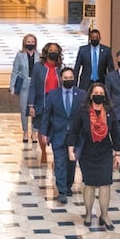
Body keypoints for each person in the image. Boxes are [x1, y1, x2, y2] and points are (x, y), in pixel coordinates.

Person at [67, 83, 120, 230]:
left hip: (105, 152)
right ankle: (88, 213)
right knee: (89, 183)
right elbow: (74, 131)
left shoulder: (109, 111)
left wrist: (117, 154)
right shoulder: (83, 111)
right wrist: (71, 149)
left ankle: (104, 215)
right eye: (96, 92)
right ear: (91, 95)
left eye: (101, 92)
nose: (99, 95)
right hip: (87, 152)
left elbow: (116, 133)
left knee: (105, 183)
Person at [41, 68, 85, 204]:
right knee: (60, 163)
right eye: (65, 78)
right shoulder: (52, 95)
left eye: (70, 77)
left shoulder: (81, 94)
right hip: (58, 134)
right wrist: (44, 133)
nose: (68, 80)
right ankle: (61, 191)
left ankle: (68, 185)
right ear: (61, 79)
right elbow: (46, 115)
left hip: (75, 135)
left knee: (72, 163)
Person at [27, 43, 63, 162]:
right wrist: (31, 105)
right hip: (41, 102)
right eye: (51, 50)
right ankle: (43, 152)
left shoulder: (60, 68)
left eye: (55, 50)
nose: (53, 52)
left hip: (57, 104)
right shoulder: (38, 67)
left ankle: (55, 155)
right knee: (42, 129)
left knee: (55, 129)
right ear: (46, 52)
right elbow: (32, 86)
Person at [10, 33, 38, 142]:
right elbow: (15, 71)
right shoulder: (19, 55)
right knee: (23, 109)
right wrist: (12, 86)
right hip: (24, 85)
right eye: (28, 42)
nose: (30, 44)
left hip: (35, 86)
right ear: (24, 43)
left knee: (35, 109)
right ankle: (25, 131)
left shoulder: (39, 55)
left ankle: (34, 132)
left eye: (32, 42)